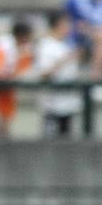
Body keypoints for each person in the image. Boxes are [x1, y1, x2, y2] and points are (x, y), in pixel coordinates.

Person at [0, 18, 34, 139]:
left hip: (8, 84)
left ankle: (4, 134)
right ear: (21, 35)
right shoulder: (2, 44)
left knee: (6, 114)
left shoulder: (27, 49)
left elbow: (25, 70)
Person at [34, 10, 81, 138]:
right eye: (66, 23)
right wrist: (65, 60)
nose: (69, 27)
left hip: (68, 103)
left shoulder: (66, 45)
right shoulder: (46, 45)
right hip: (52, 105)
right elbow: (44, 73)